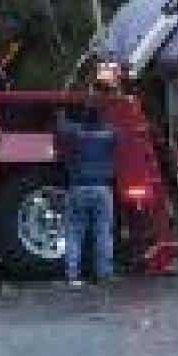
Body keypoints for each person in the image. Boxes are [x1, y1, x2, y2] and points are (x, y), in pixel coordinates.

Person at [57, 88, 117, 288]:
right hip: (102, 189)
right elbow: (118, 134)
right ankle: (104, 274)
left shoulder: (76, 135)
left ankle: (72, 275)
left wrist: (60, 110)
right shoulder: (109, 135)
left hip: (78, 188)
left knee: (74, 232)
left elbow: (61, 127)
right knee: (102, 232)